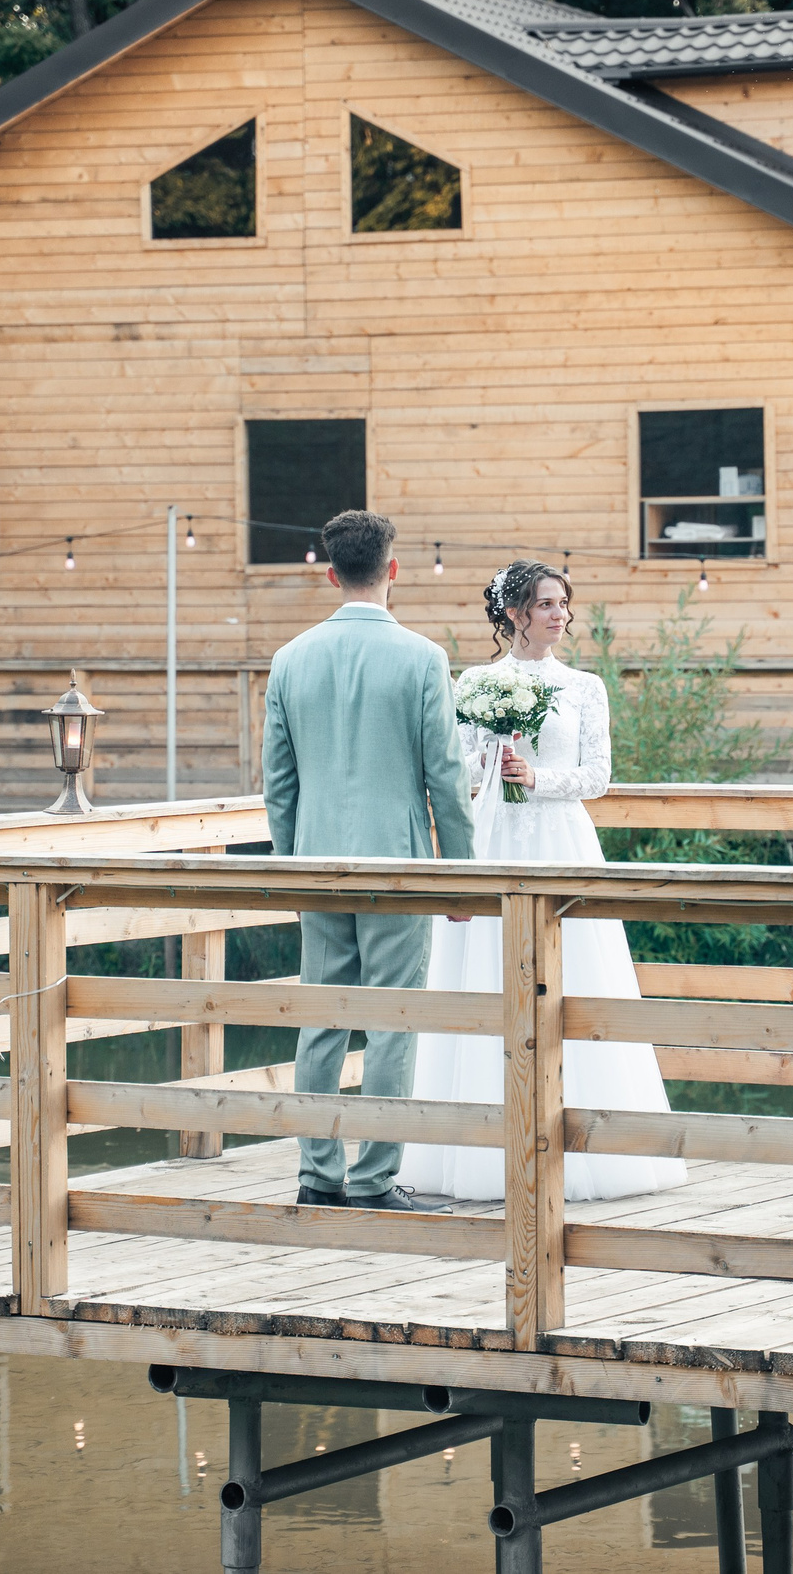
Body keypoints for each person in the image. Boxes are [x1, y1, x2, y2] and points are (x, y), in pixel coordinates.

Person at [398, 560, 687, 1202]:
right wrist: (492, 760)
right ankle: (473, 1148)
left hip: (560, 835)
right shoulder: (476, 682)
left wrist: (538, 779)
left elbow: (596, 777)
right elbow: (461, 763)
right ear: (514, 615)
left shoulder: (584, 687)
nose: (559, 614)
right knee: (484, 972)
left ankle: (593, 1146)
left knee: (579, 975)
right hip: (493, 832)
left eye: (563, 603)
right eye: (545, 604)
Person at [262, 509, 475, 1210]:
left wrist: (289, 862)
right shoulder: (423, 658)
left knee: (321, 1020)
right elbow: (445, 777)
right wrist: (460, 871)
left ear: (330, 573)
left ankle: (318, 1176)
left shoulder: (290, 659)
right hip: (401, 866)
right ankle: (377, 1179)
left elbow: (280, 782)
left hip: (316, 861)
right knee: (391, 1021)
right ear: (393, 570)